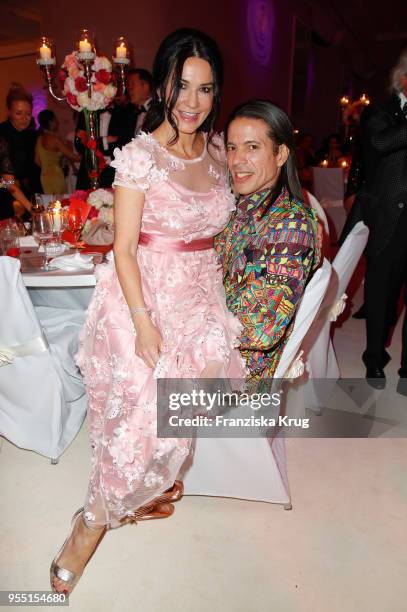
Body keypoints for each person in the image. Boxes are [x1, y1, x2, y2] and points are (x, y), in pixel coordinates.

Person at [50, 28, 245, 595]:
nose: (192, 102)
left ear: (216, 94)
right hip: (142, 290)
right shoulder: (139, 157)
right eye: (181, 86)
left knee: (179, 408)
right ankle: (91, 521)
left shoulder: (215, 154)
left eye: (205, 89)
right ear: (162, 85)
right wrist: (142, 321)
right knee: (137, 413)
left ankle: (142, 488)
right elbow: (124, 248)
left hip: (199, 295)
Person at [215, 100, 319, 385]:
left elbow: (260, 329)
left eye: (252, 147)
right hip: (216, 344)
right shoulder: (242, 206)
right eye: (232, 147)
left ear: (281, 154)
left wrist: (183, 321)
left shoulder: (292, 223)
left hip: (239, 369)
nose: (237, 160)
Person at [353, 47, 407, 389]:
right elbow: (381, 142)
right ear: (404, 79)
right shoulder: (380, 112)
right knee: (379, 294)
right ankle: (374, 357)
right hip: (389, 217)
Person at [0, 84, 39, 218]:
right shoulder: (3, 135)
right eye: (18, 113)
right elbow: (8, 182)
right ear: (9, 112)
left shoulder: (27, 134)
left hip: (19, 193)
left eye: (28, 114)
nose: (24, 118)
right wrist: (31, 208)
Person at [35, 109, 80, 194]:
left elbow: (37, 161)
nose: (57, 121)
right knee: (59, 203)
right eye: (55, 119)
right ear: (51, 122)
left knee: (50, 202)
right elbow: (73, 157)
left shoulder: (39, 139)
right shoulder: (55, 140)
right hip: (56, 175)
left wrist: (47, 167)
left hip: (44, 176)